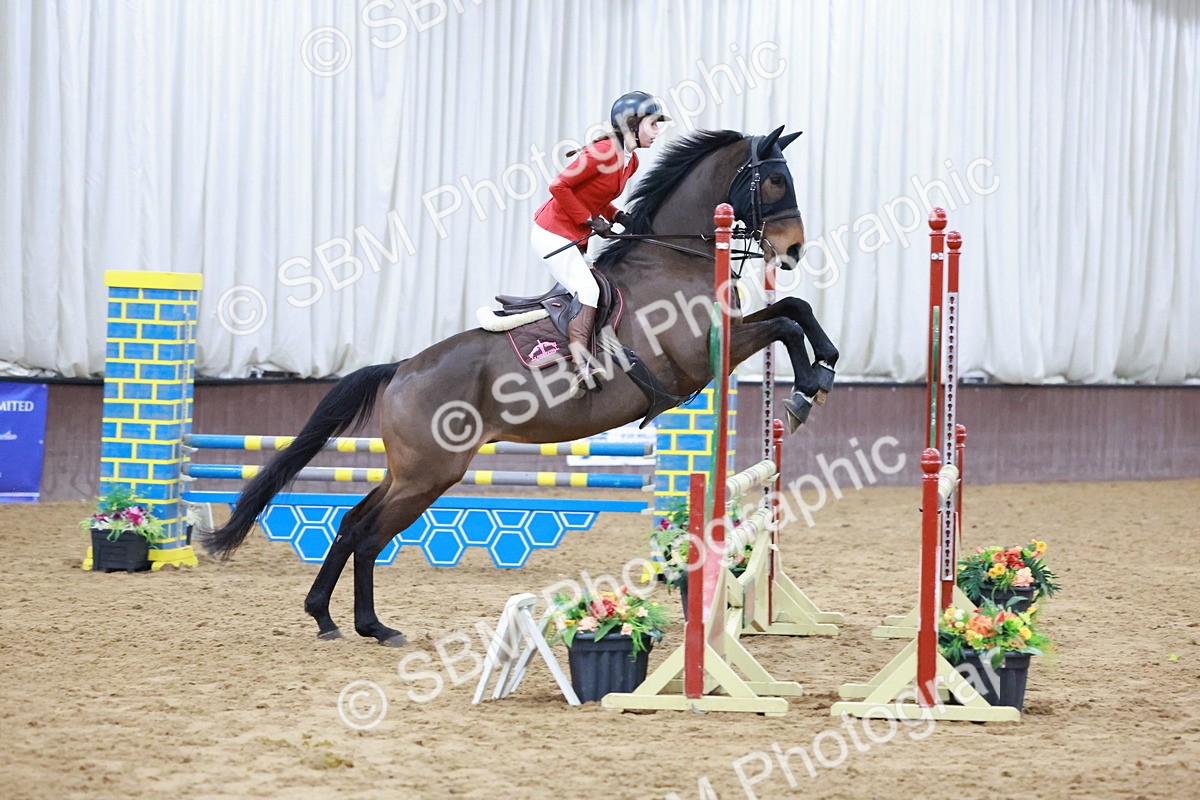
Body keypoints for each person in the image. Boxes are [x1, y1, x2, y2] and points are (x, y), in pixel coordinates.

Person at [532, 91, 668, 387]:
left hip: (573, 236)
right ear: (632, 124)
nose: (658, 130)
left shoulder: (630, 161)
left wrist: (617, 215)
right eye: (653, 124)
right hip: (552, 234)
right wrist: (590, 220)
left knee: (606, 285)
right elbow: (558, 187)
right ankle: (579, 366)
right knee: (588, 290)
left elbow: (597, 195)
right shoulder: (603, 152)